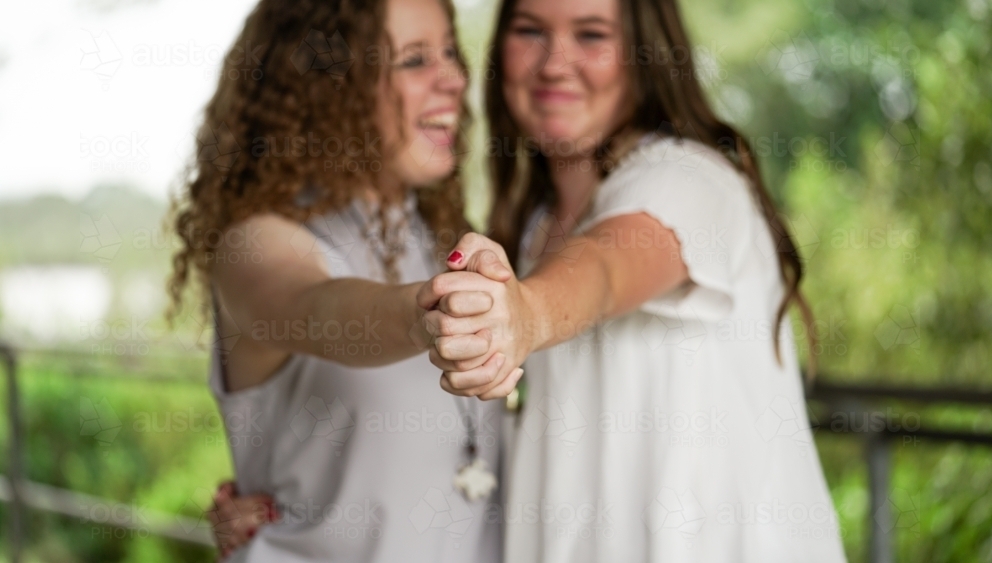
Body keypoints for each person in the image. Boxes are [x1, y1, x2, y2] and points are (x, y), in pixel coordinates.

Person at [419, 0, 849, 561]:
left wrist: (527, 314)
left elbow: (603, 269)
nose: (554, 62)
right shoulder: (532, 230)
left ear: (646, 54)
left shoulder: (690, 178)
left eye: (592, 34)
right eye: (530, 30)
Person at [167, 0, 511, 560]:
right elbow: (319, 308)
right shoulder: (257, 242)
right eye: (415, 59)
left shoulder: (443, 239)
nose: (455, 77)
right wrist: (432, 315)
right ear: (327, 83)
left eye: (450, 52)